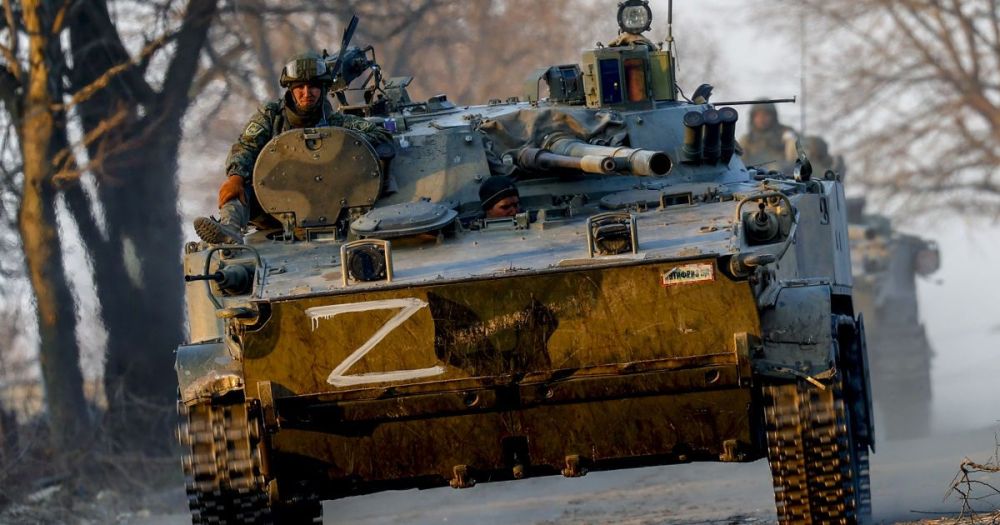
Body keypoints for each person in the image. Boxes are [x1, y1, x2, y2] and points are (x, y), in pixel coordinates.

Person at [194, 51, 392, 244]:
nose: (307, 93)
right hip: (275, 209)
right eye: (300, 87)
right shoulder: (271, 117)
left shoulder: (337, 123)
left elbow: (381, 135)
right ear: (290, 89)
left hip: (332, 207)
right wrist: (235, 176)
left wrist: (346, 143)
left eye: (313, 86)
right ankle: (229, 228)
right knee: (238, 186)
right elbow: (246, 146)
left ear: (323, 88)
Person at [739, 102, 798, 172]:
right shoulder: (747, 139)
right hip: (754, 175)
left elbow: (795, 159)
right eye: (757, 115)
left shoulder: (785, 133)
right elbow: (739, 163)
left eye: (766, 115)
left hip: (781, 174)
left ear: (773, 117)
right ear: (752, 118)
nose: (761, 119)